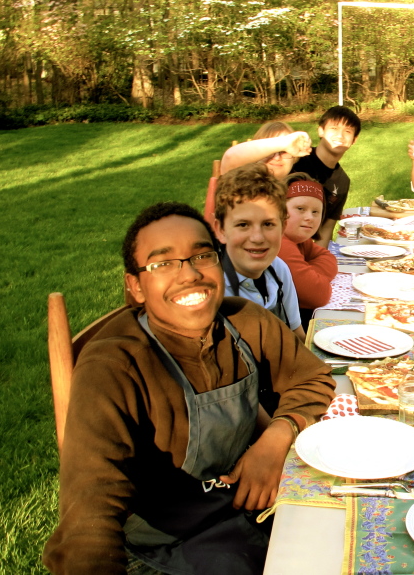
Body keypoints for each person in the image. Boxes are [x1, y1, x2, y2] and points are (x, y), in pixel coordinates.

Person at [43, 202, 336, 575]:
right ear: (135, 285)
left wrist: (277, 437)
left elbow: (312, 377)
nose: (190, 274)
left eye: (202, 255)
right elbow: (89, 506)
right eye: (162, 263)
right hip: (169, 543)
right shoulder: (115, 365)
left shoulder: (244, 321)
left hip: (251, 504)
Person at [213, 163, 305, 340]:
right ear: (221, 230)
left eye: (268, 224)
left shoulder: (278, 269)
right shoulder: (215, 289)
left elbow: (297, 336)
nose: (257, 238)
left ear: (283, 226)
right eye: (243, 225)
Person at [290, 105, 361, 246]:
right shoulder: (296, 161)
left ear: (354, 140)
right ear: (321, 130)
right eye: (334, 129)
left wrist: (317, 262)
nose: (340, 136)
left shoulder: (342, 181)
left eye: (347, 131)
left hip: (306, 250)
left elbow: (327, 227)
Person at [278, 173, 338, 329]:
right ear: (280, 210)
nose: (309, 217)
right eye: (300, 209)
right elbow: (318, 294)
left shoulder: (298, 240)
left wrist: (312, 275)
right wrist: (313, 280)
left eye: (315, 212)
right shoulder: (280, 243)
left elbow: (327, 256)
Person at [219, 121, 313, 178]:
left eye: (284, 151)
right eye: (270, 150)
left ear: (294, 158)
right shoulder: (244, 183)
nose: (277, 158)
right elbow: (230, 157)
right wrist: (284, 143)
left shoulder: (299, 188)